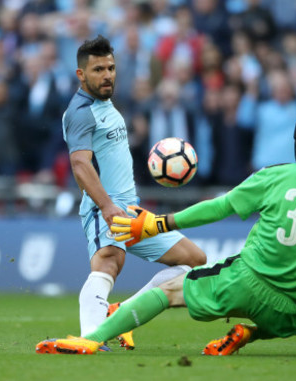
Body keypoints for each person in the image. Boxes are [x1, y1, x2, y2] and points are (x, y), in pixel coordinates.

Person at [37, 116, 296, 356]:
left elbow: (219, 208)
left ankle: (91, 339)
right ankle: (249, 334)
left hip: (244, 282)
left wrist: (159, 222)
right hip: (290, 309)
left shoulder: (276, 177)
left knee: (169, 291)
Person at [61, 35, 205, 348]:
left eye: (111, 67)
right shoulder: (81, 112)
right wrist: (108, 206)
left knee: (195, 261)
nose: (107, 74)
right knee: (109, 262)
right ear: (80, 75)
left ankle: (122, 313)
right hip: (106, 208)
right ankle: (90, 339)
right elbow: (80, 165)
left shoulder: (107, 104)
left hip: (131, 210)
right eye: (98, 69)